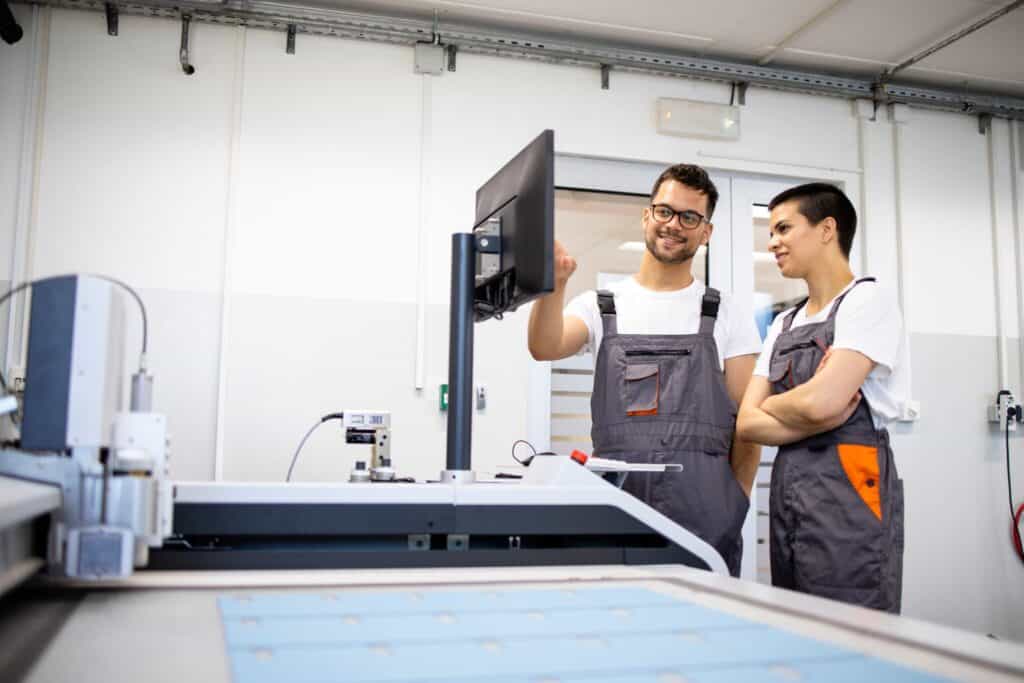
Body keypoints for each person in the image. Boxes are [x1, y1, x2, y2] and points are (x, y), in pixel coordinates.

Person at [528, 164, 762, 576]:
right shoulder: (602, 305)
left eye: (690, 217)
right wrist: (555, 285)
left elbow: (748, 424)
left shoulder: (727, 314)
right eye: (665, 211)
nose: (674, 225)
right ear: (646, 216)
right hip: (618, 508)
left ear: (705, 232)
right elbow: (544, 347)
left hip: (707, 516)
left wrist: (733, 501)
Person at [737, 182, 908, 612]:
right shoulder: (783, 323)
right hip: (791, 487)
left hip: (850, 482)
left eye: (783, 229)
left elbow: (822, 404)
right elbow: (747, 424)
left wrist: (780, 406)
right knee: (795, 618)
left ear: (827, 229)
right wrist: (812, 405)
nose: (773, 242)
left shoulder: (867, 301)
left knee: (854, 618)